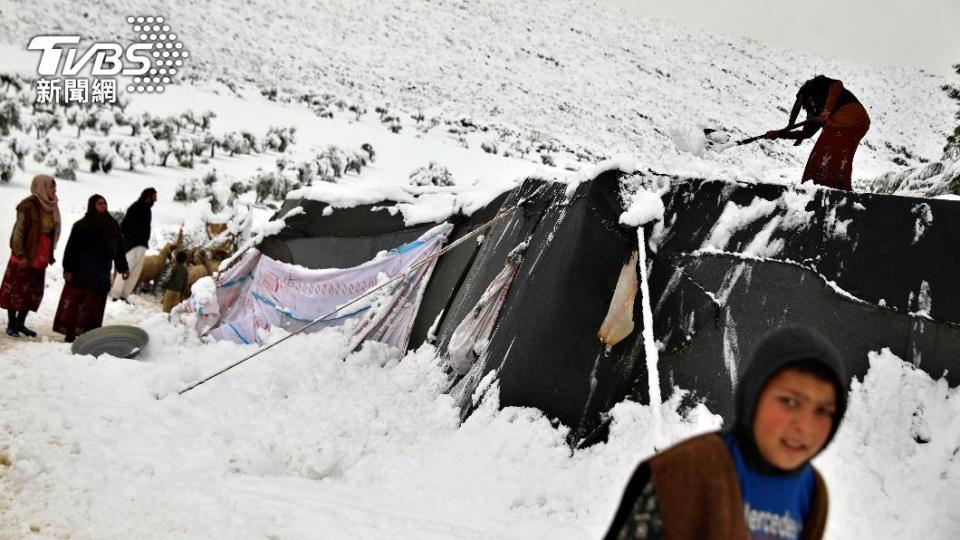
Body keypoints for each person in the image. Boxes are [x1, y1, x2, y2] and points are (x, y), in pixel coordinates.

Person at [604, 326, 848, 540]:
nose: (805, 425)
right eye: (790, 401)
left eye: (823, 411)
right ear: (753, 396)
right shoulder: (684, 472)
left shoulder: (812, 492)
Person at [765, 75, 870, 192]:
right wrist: (779, 134)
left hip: (848, 114)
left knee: (819, 156)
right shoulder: (816, 112)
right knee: (841, 158)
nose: (805, 107)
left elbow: (837, 84)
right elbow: (806, 133)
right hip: (859, 121)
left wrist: (827, 111)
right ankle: (842, 190)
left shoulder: (816, 85)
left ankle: (817, 188)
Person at [53, 195, 129, 342]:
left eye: (105, 203)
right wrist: (67, 269)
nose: (104, 206)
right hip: (81, 273)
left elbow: (119, 249)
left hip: (101, 274)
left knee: (95, 306)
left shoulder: (112, 226)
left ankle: (88, 336)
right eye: (100, 204)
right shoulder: (81, 226)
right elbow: (71, 249)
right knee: (77, 305)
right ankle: (70, 334)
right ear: (92, 205)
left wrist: (123, 268)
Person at [0, 175, 61, 337]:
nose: (55, 190)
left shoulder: (52, 206)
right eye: (52, 186)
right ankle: (12, 324)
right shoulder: (27, 206)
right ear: (42, 187)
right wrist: (21, 255)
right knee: (16, 291)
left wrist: (49, 253)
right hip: (25, 255)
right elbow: (18, 233)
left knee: (32, 292)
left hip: (40, 256)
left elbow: (52, 232)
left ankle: (21, 323)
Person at [110, 187, 157, 302]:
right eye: (154, 197)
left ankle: (124, 295)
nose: (155, 200)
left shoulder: (148, 210)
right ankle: (115, 295)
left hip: (141, 245)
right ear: (148, 196)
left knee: (135, 273)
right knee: (125, 271)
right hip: (131, 245)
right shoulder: (135, 207)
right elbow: (124, 226)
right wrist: (129, 239)